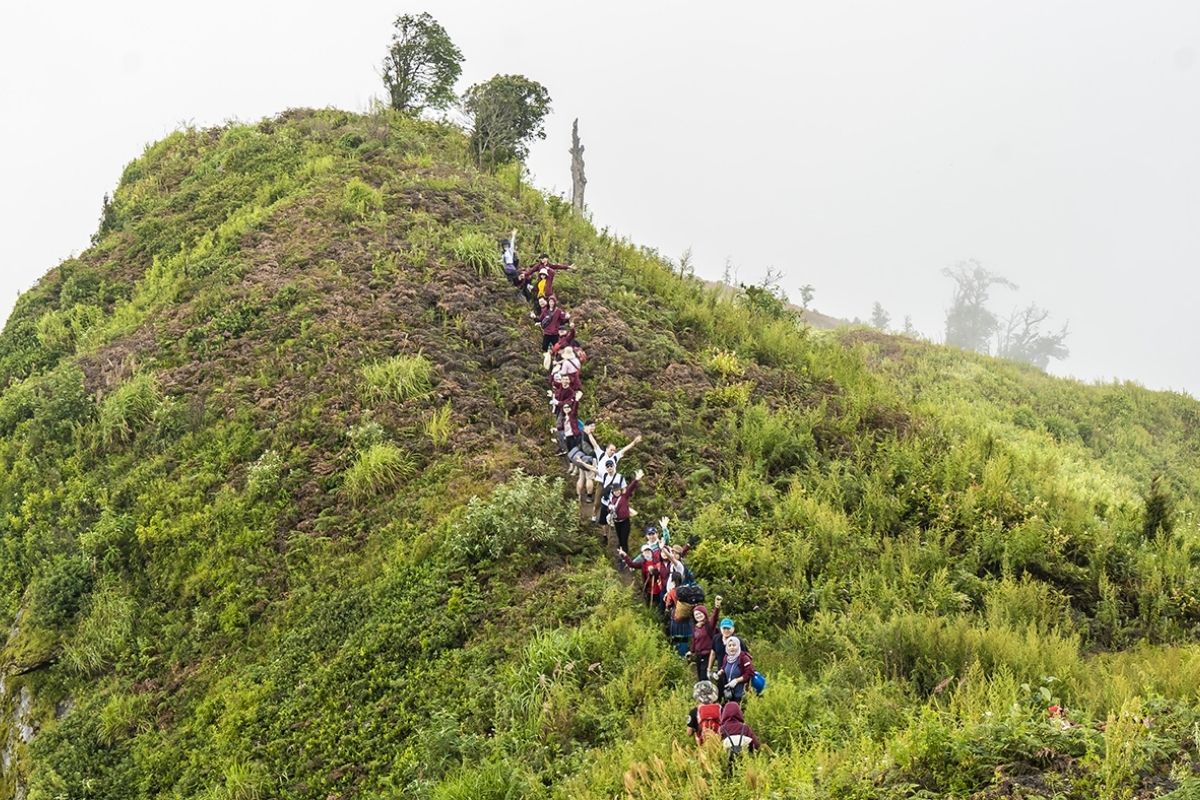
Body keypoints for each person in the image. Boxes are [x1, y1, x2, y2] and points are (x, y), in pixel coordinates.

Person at [687, 599, 721, 683]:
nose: (698, 616)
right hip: (698, 656)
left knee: (704, 677)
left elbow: (714, 617)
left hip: (707, 655)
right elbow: (695, 641)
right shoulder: (696, 627)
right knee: (699, 677)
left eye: (699, 613)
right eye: (696, 614)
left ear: (704, 613)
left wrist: (717, 607)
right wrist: (691, 651)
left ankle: (708, 695)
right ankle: (702, 694)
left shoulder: (709, 625)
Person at [715, 635, 755, 703]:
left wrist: (737, 680)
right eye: (729, 645)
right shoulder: (726, 657)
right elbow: (724, 667)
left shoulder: (744, 658)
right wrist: (720, 672)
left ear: (738, 646)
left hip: (741, 692)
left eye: (734, 645)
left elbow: (750, 673)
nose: (732, 647)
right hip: (730, 692)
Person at [609, 469, 642, 553]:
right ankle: (621, 554)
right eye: (615, 491)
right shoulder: (612, 500)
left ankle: (625, 557)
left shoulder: (624, 496)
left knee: (624, 540)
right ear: (613, 492)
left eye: (618, 490)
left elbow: (630, 488)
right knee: (620, 539)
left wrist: (636, 479)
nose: (617, 492)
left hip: (625, 522)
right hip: (617, 522)